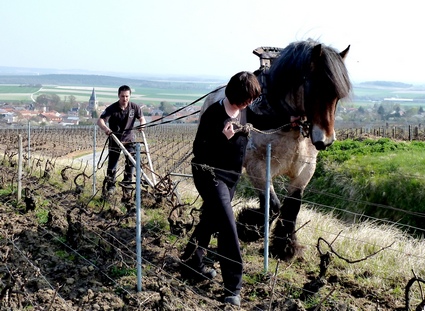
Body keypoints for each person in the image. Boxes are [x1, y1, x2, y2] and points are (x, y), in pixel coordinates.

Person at [180, 71, 262, 307]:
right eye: (247, 97)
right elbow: (199, 150)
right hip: (209, 174)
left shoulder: (246, 111)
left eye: (252, 98)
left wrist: (293, 120)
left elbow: (265, 121)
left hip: (232, 177)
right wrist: (221, 138)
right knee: (227, 226)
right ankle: (232, 287)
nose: (249, 102)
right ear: (236, 93)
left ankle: (191, 261)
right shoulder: (213, 114)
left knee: (211, 219)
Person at [97, 85, 146, 201]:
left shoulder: (134, 107)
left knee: (131, 162)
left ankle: (127, 185)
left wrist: (142, 125)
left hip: (129, 139)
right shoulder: (112, 108)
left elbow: (142, 118)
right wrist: (106, 129)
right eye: (122, 96)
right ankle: (110, 186)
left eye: (127, 96)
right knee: (112, 164)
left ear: (130, 96)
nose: (125, 99)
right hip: (115, 139)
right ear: (118, 96)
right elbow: (100, 120)